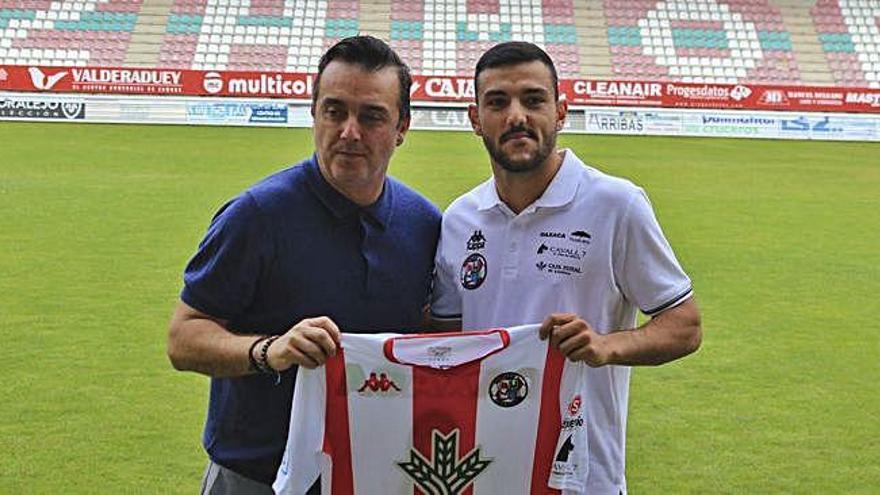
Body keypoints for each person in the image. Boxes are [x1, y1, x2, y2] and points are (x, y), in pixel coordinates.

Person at [167, 35, 440, 494]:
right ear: (314, 114)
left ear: (402, 128)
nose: (349, 131)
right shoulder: (256, 216)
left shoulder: (426, 224)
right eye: (334, 111)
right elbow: (184, 337)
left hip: (376, 472)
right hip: (256, 475)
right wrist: (269, 351)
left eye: (372, 116)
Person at [430, 42, 702, 495]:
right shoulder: (459, 219)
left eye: (533, 100)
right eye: (497, 102)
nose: (517, 116)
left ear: (560, 112)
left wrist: (606, 346)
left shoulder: (616, 204)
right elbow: (445, 339)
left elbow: (685, 325)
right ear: (475, 119)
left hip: (584, 478)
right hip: (481, 469)